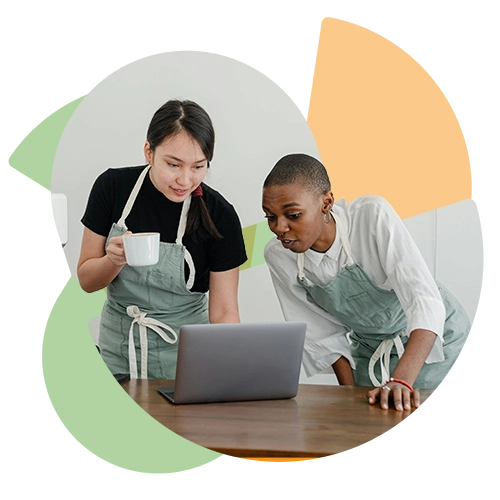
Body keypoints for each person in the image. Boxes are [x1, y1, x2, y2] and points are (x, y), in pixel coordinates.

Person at [262, 153, 470, 411]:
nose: (279, 228)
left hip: (430, 334)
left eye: (292, 215)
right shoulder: (278, 256)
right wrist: (349, 400)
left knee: (404, 410)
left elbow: (423, 301)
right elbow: (323, 337)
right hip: (370, 347)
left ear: (326, 202)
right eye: (270, 216)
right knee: (364, 416)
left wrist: (401, 381)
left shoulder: (371, 217)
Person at [78, 99, 248, 380]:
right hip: (116, 356)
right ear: (149, 152)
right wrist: (112, 260)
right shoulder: (112, 188)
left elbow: (225, 313)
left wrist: (229, 372)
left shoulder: (220, 216)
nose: (185, 179)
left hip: (186, 361)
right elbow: (86, 281)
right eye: (173, 164)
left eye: (198, 167)